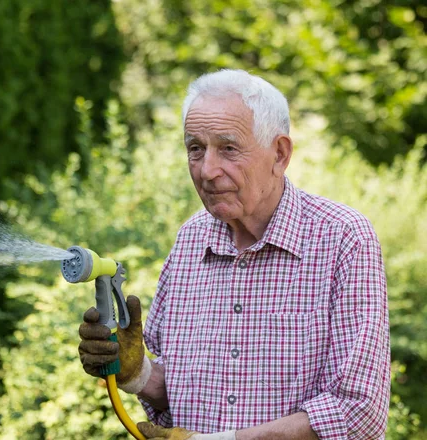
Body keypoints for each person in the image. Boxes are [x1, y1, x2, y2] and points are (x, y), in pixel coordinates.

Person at [78, 69, 390, 440]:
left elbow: (358, 413)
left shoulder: (341, 237)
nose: (208, 171)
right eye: (195, 149)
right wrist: (136, 373)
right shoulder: (191, 240)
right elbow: (182, 393)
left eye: (228, 148)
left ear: (279, 153)